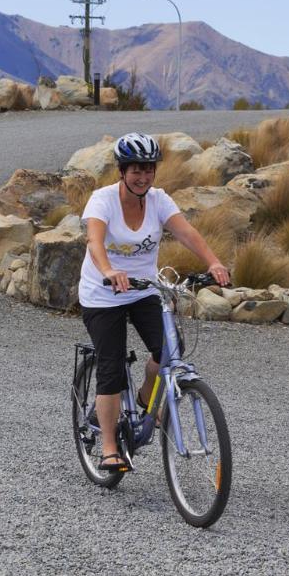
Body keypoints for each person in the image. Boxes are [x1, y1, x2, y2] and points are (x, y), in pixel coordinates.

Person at [78, 132, 230, 472]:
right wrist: (109, 270)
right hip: (103, 294)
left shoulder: (159, 200)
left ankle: (146, 397)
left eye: (148, 169)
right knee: (111, 367)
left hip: (145, 289)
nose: (143, 176)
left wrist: (213, 263)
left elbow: (186, 232)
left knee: (169, 351)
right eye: (136, 170)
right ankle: (108, 447)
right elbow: (94, 241)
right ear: (122, 170)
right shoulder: (103, 200)